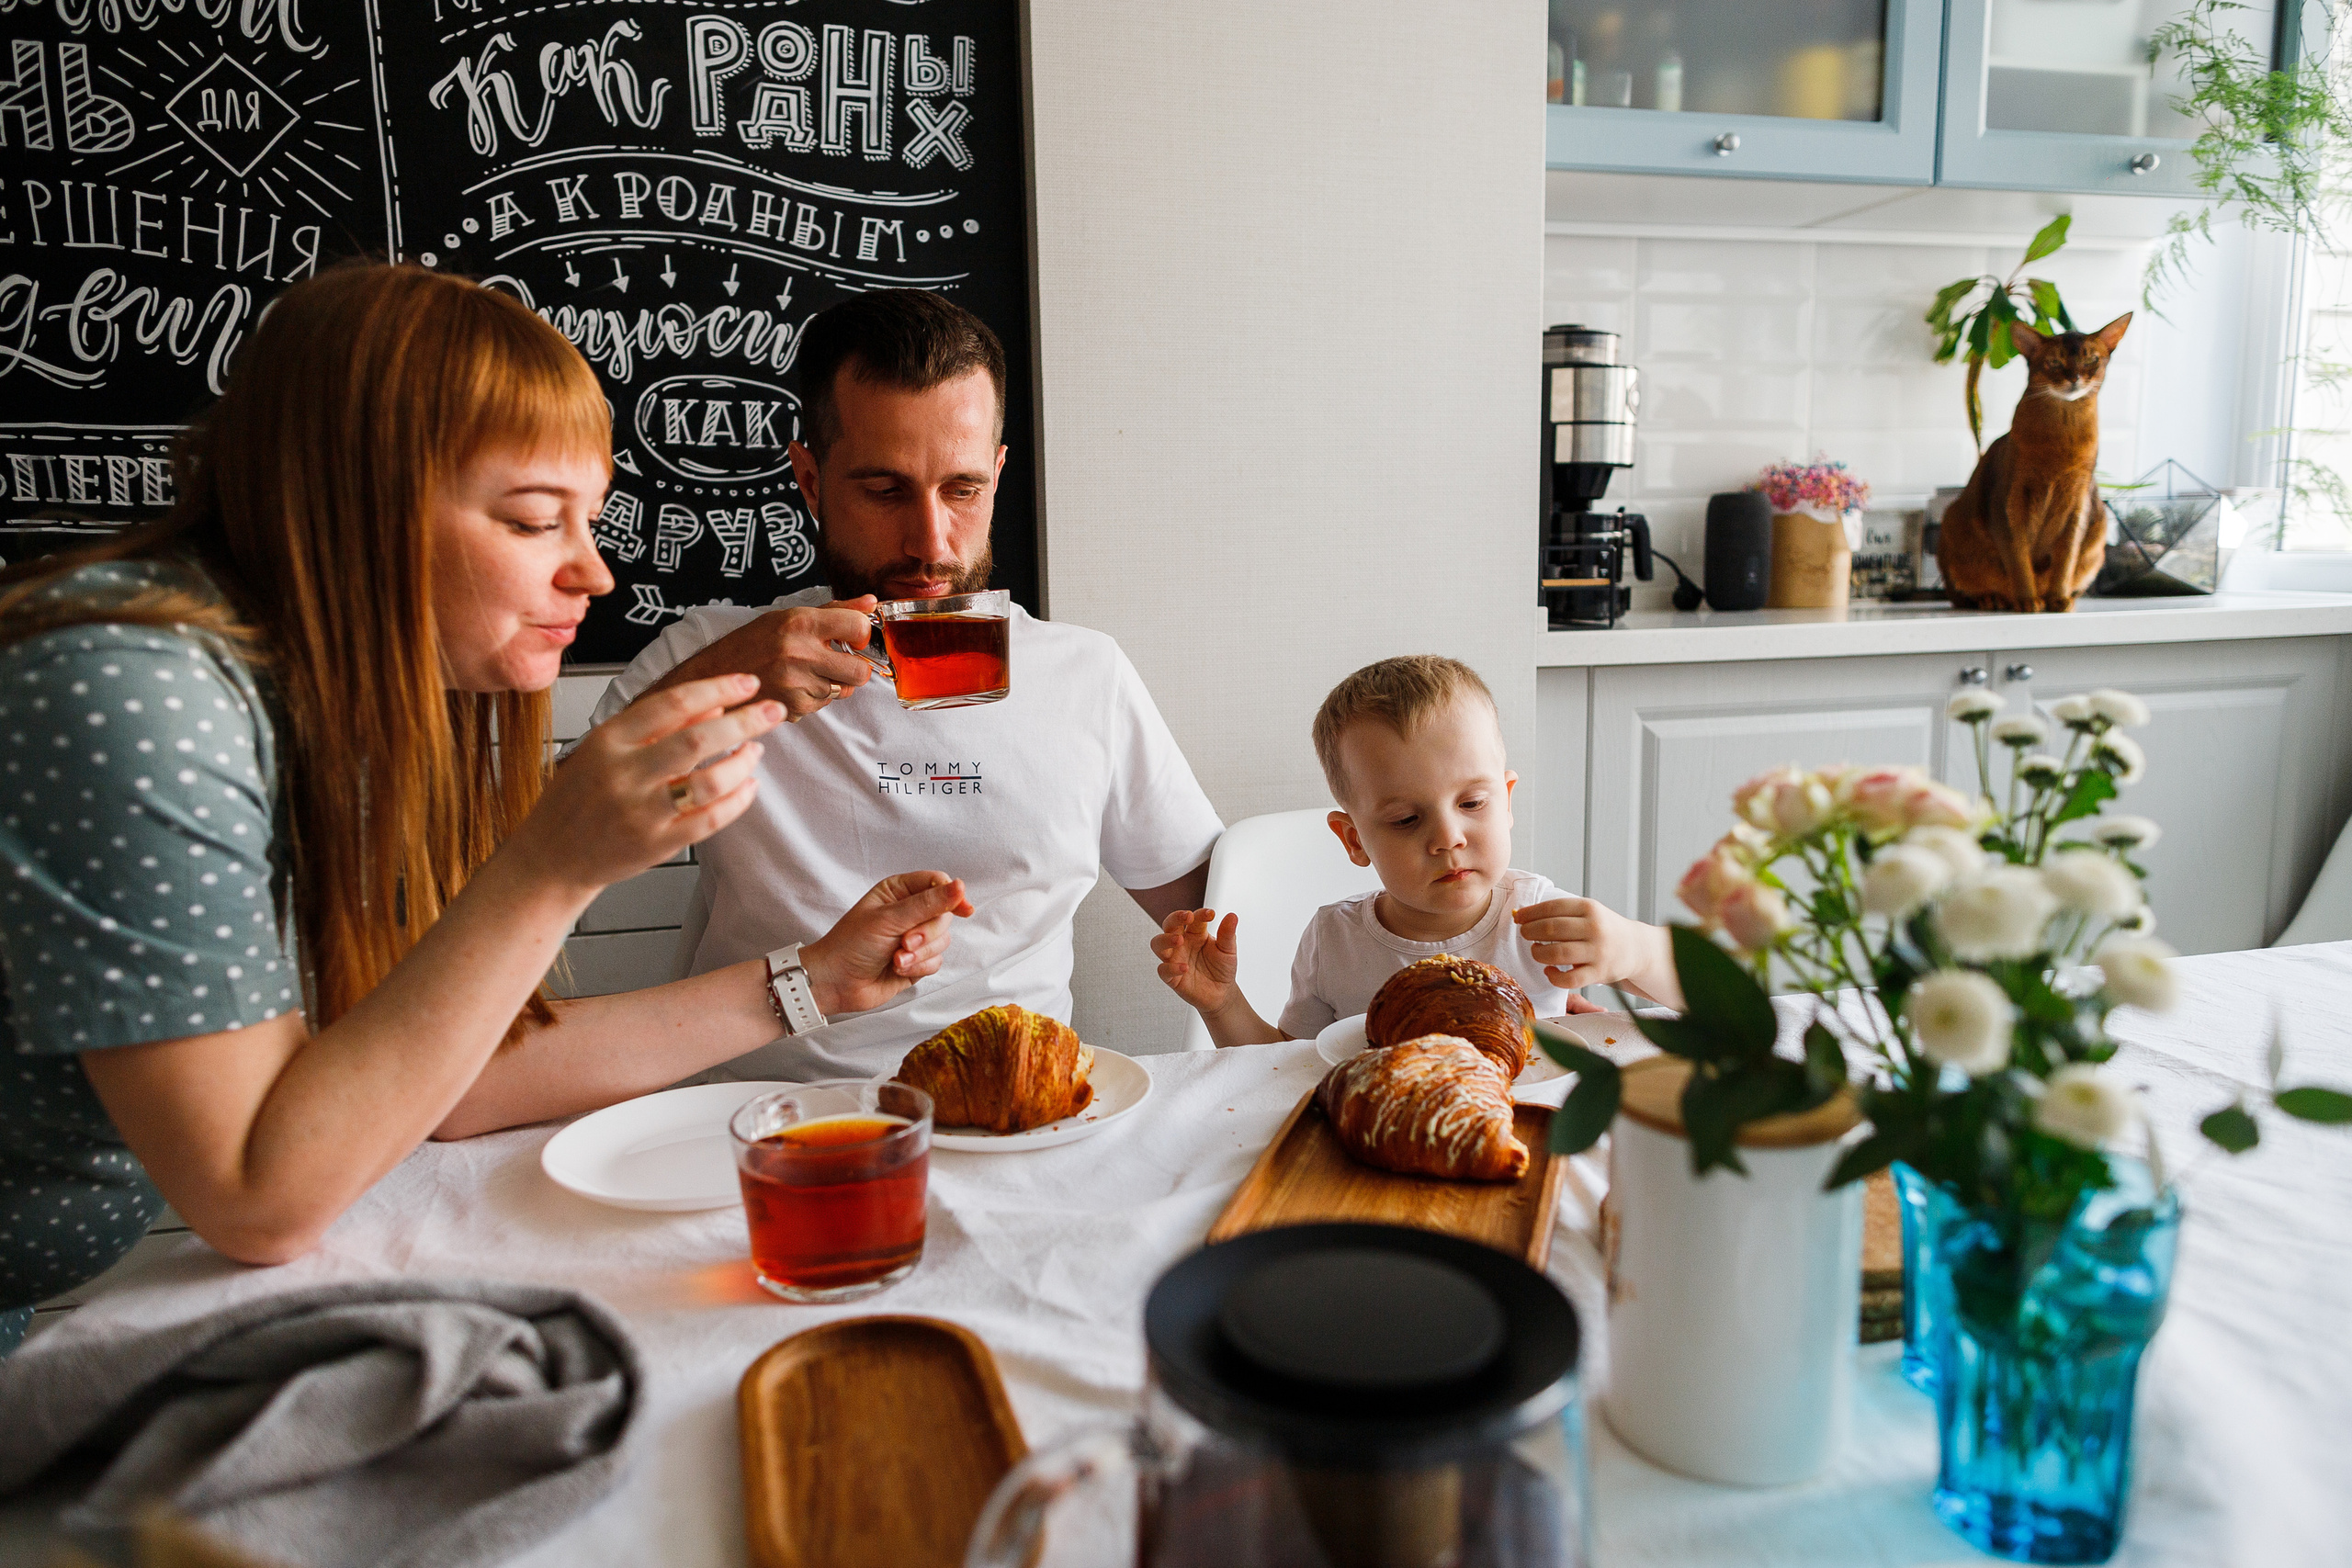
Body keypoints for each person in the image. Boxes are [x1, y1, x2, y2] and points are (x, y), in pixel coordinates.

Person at [0, 264, 970, 1353]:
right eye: (529, 521)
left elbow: (455, 1079)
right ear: (349, 507)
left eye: (588, 521)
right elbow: (256, 1196)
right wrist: (553, 866)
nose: (593, 575)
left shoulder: (330, 709)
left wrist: (820, 981)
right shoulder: (139, 696)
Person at [588, 289, 1222, 1080]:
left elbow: (1218, 916)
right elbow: (518, 874)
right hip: (760, 1120)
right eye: (885, 491)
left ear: (997, 474)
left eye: (961, 490)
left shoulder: (1085, 675)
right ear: (812, 482)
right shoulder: (711, 654)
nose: (931, 543)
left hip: (1016, 1109)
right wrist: (724, 678)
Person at [1152, 655, 1683, 1047]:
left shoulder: (1538, 919)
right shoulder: (1333, 942)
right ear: (1354, 840)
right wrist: (1224, 1005)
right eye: (1407, 819)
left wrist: (1635, 949)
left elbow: (1715, 1000)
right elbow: (1287, 1071)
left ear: (1507, 800)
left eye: (1473, 802)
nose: (1448, 837)